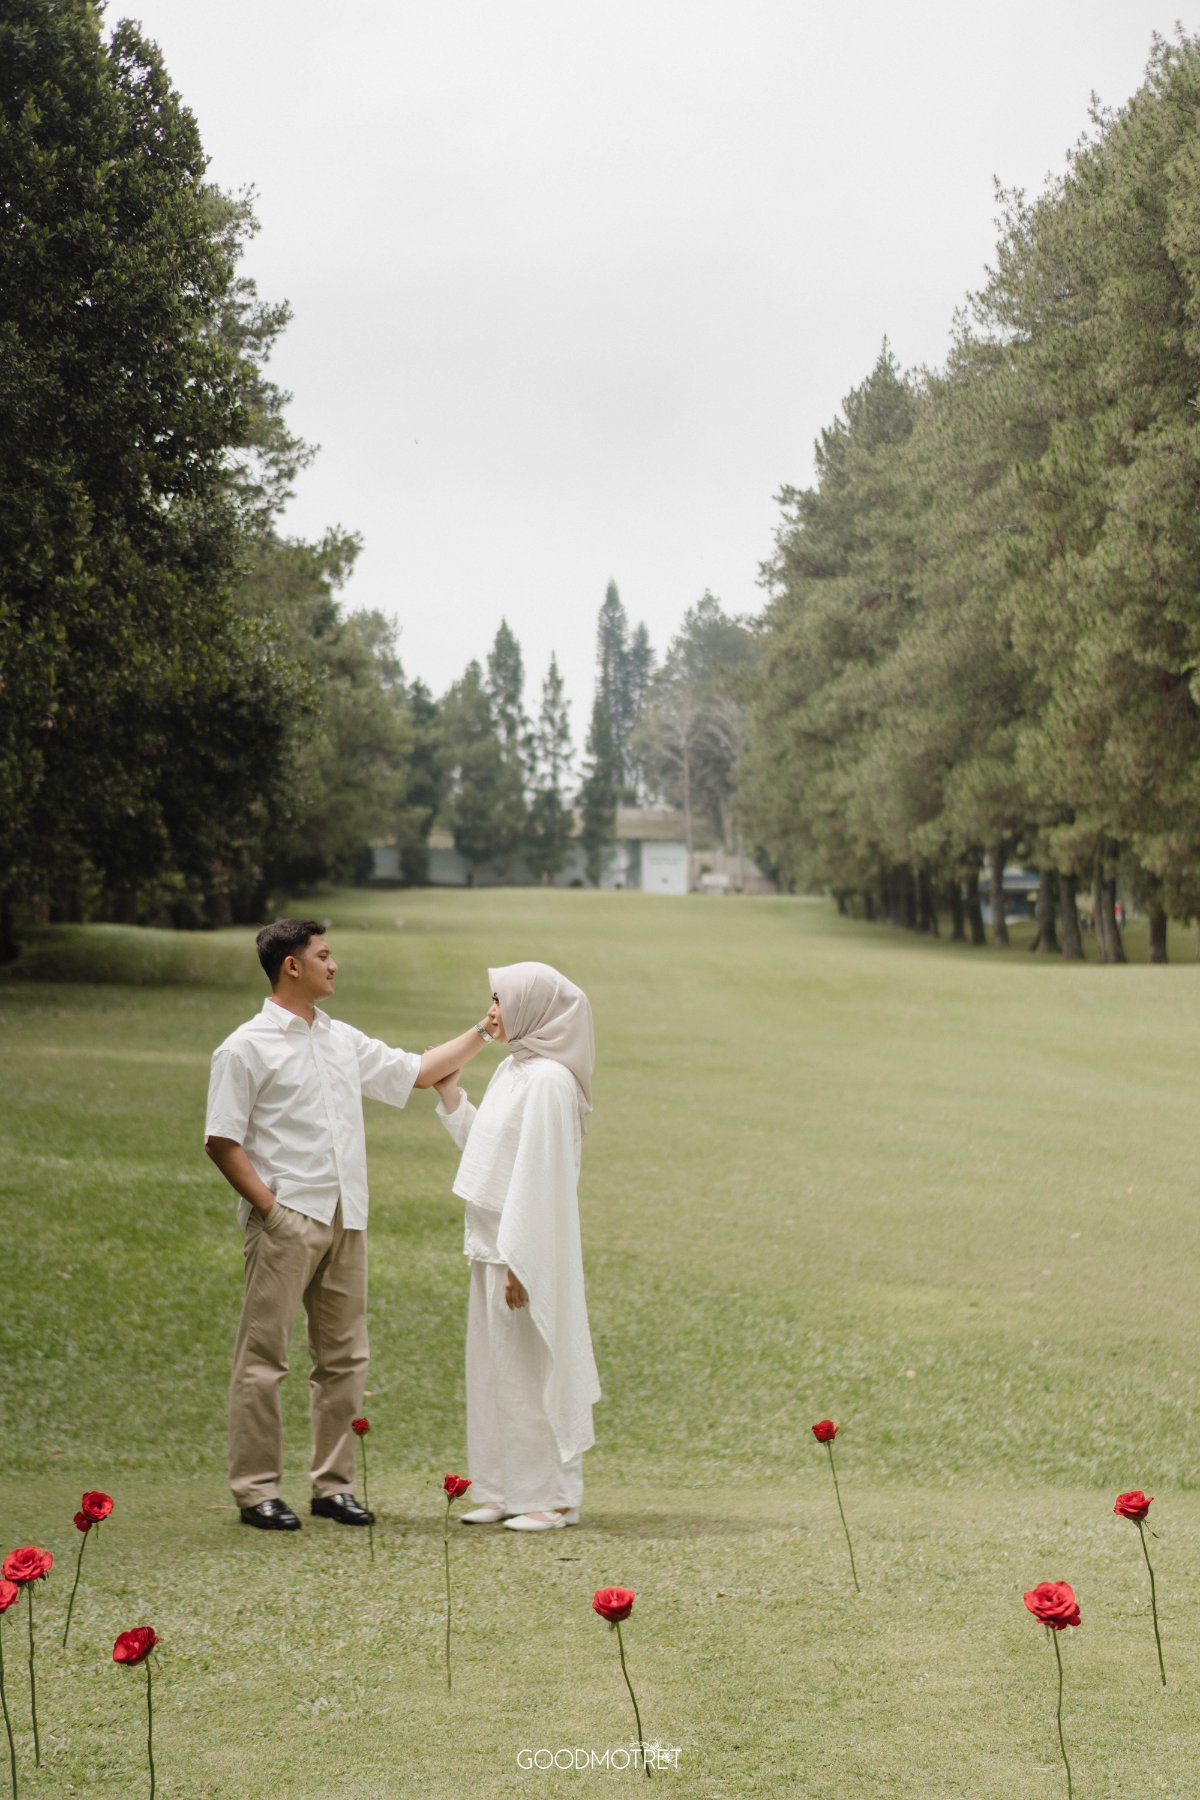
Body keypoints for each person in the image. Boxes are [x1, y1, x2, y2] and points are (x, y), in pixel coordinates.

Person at [204, 918, 497, 1532]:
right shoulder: (244, 1047)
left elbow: (419, 1071)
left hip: (348, 1217)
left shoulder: (340, 1040)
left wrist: (483, 1029)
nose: (334, 965)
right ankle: (256, 1492)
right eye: (324, 955)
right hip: (287, 1221)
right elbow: (222, 1140)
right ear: (292, 966)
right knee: (263, 1359)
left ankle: (333, 1488)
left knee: (344, 1360)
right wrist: (271, 1210)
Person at [433, 961, 600, 1532]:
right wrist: (452, 1097)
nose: (491, 1012)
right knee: (493, 1373)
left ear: (533, 1008)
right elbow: (490, 1151)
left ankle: (551, 1497)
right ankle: (500, 1488)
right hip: (489, 1245)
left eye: (501, 1000)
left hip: (523, 1251)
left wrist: (520, 1263)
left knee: (531, 1373)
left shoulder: (551, 1081)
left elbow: (539, 1177)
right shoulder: (514, 1068)